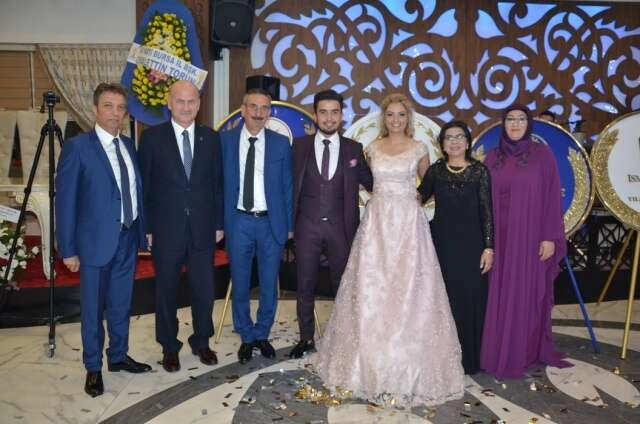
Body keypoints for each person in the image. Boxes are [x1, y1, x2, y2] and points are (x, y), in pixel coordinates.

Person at [312, 93, 464, 407]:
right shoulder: (372, 148)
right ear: (384, 118)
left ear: (409, 118)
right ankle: (366, 361)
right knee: (373, 288)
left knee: (410, 289)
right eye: (391, 115)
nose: (396, 120)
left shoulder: (419, 148)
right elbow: (365, 182)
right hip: (377, 225)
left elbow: (429, 186)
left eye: (401, 115)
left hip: (408, 226)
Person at [56, 82, 151, 397]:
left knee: (121, 304)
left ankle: (119, 356)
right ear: (95, 108)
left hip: (127, 239)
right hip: (94, 244)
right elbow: (66, 202)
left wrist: (142, 231)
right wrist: (68, 249)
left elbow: (135, 192)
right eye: (108, 106)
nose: (115, 113)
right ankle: (93, 367)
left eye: (121, 108)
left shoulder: (129, 145)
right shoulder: (78, 147)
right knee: (93, 310)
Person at [480, 103, 572, 379]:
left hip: (529, 238)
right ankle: (497, 349)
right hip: (499, 239)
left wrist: (550, 237)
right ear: (503, 123)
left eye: (521, 119)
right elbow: (481, 201)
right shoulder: (492, 157)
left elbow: (552, 198)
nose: (515, 124)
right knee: (497, 293)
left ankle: (523, 350)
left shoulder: (542, 155)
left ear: (529, 123)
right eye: (510, 119)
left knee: (526, 293)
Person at [138, 80, 224, 372]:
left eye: (191, 102)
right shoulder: (152, 139)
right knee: (166, 291)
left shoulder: (211, 138)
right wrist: (147, 228)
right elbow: (144, 187)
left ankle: (201, 341)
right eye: (180, 101)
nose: (186, 107)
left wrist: (219, 223)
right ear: (169, 103)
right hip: (166, 229)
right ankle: (169, 347)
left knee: (204, 290)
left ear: (198, 105)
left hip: (203, 228)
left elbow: (218, 185)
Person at [288, 90, 373, 359]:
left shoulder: (354, 149)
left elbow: (373, 182)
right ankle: (305, 338)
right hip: (306, 227)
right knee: (305, 284)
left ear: (342, 115)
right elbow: (286, 184)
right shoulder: (299, 146)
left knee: (343, 285)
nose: (329, 118)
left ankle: (342, 338)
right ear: (315, 115)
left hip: (341, 228)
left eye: (334, 112)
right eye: (323, 112)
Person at [220, 88, 293, 364]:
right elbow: (217, 186)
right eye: (253, 106)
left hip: (270, 223)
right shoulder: (225, 141)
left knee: (268, 283)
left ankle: (262, 333)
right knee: (239, 282)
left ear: (270, 112)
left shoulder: (280, 143)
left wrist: (288, 226)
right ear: (243, 109)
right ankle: (246, 335)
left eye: (264, 108)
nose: (259, 113)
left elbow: (287, 187)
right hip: (238, 221)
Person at [417, 120, 494, 375]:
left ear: (468, 142)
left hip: (473, 247)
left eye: (459, 136)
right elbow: (417, 198)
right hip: (441, 245)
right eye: (449, 137)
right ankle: (443, 358)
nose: (454, 141)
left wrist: (489, 248)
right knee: (444, 299)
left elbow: (487, 212)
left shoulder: (480, 172)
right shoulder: (436, 171)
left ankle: (470, 359)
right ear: (442, 144)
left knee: (471, 298)